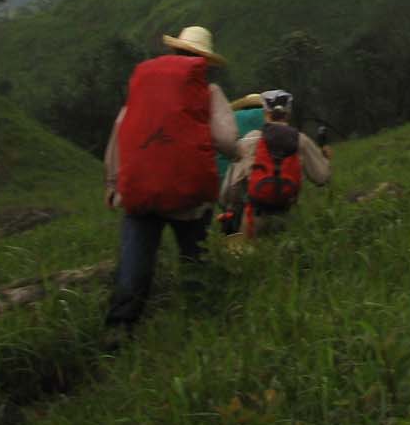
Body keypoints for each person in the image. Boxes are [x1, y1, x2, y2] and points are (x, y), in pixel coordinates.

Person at [102, 25, 238, 334]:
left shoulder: (144, 87)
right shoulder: (208, 91)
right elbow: (227, 139)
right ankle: (199, 317)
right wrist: (235, 152)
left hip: (140, 190)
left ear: (174, 51)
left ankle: (120, 326)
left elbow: (120, 129)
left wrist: (112, 183)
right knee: (194, 257)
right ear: (204, 61)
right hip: (188, 194)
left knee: (135, 260)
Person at [219, 88, 332, 238]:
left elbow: (231, 187)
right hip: (287, 216)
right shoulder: (300, 139)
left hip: (255, 217)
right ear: (288, 113)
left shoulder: (250, 140)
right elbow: (322, 177)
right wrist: (326, 159)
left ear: (265, 113)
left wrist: (228, 206)